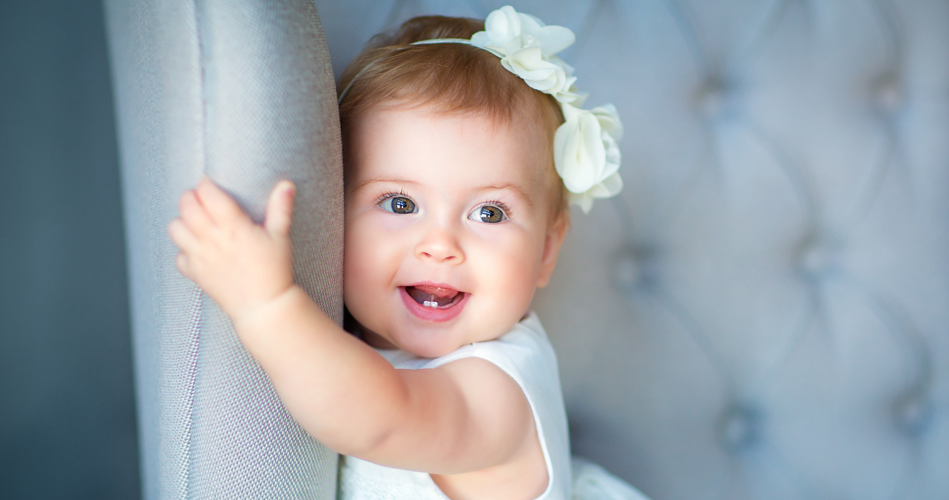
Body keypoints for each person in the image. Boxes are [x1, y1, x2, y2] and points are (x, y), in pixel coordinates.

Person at [168, 5, 646, 499]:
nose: (440, 246)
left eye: (489, 213)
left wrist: (266, 304)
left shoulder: (499, 392)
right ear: (336, 216)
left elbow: (382, 418)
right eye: (400, 203)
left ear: (546, 251)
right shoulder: (354, 335)